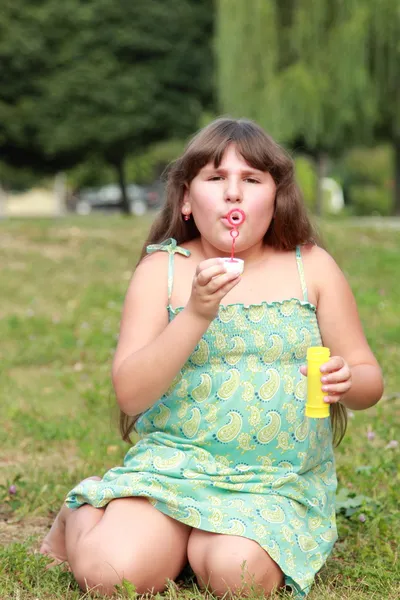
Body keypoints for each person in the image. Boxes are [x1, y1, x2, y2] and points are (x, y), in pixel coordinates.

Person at [40, 117, 383, 598]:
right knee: (111, 574)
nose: (233, 194)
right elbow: (132, 392)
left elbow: (370, 379)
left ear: (277, 196)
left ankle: (196, 543)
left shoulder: (313, 268)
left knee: (236, 577)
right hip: (173, 469)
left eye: (251, 180)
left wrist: (347, 380)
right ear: (185, 199)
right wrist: (197, 312)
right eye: (216, 178)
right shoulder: (163, 271)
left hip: (274, 482)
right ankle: (81, 515)